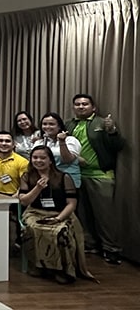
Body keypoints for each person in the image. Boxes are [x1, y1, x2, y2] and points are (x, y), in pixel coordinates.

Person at [17, 146, 95, 284]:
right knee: (33, 228)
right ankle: (40, 266)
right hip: (35, 212)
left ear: (50, 161)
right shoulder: (27, 176)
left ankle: (61, 269)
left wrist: (58, 218)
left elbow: (71, 203)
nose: (38, 161)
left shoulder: (64, 177)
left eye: (42, 158)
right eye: (35, 158)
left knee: (60, 231)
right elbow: (24, 201)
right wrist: (38, 188)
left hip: (60, 213)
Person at [67, 94, 125, 264]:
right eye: (77, 104)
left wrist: (112, 131)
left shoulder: (102, 123)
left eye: (85, 104)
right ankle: (90, 244)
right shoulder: (69, 124)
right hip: (76, 175)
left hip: (100, 175)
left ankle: (111, 249)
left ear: (93, 107)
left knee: (105, 216)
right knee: (83, 214)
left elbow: (118, 146)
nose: (81, 107)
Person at [34, 113, 81, 188]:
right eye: (44, 124)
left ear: (59, 126)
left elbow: (68, 160)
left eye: (51, 124)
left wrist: (62, 142)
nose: (47, 127)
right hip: (47, 182)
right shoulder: (39, 142)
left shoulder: (71, 140)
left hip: (69, 182)